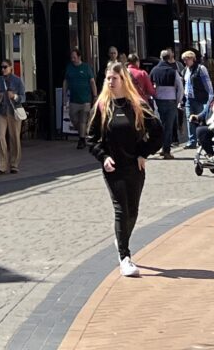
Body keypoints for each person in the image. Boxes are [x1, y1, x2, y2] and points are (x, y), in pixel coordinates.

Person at [85, 57, 162, 278]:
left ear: (123, 80)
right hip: (113, 168)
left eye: (114, 78)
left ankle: (121, 240)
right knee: (121, 209)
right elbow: (91, 139)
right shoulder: (101, 106)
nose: (110, 82)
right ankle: (124, 256)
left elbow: (158, 133)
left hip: (135, 166)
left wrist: (143, 153)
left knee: (133, 210)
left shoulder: (137, 104)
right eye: (108, 78)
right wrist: (104, 157)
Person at [0, 60, 26, 175]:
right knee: (0, 136)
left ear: (11, 68)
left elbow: (23, 97)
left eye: (5, 67)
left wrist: (14, 96)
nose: (3, 69)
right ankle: (2, 164)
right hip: (2, 112)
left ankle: (14, 164)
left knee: (14, 137)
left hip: (13, 111)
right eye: (1, 67)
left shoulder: (17, 80)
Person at [179, 50, 212, 152]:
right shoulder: (185, 71)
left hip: (200, 98)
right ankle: (192, 141)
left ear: (193, 59)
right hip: (189, 98)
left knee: (201, 119)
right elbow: (184, 85)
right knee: (189, 119)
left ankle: (202, 140)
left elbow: (207, 83)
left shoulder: (200, 69)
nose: (185, 61)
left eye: (187, 59)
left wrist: (210, 97)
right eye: (184, 59)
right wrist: (182, 99)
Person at [149, 50, 180, 152]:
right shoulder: (173, 70)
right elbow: (180, 87)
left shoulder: (154, 70)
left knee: (161, 124)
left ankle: (159, 146)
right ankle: (166, 149)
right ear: (170, 58)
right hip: (171, 100)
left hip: (158, 100)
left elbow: (149, 85)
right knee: (169, 126)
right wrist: (178, 100)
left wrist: (153, 96)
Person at [64, 50, 96, 150]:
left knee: (83, 120)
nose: (72, 59)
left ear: (79, 57)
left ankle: (81, 139)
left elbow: (92, 82)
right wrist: (65, 94)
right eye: (71, 57)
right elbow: (66, 81)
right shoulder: (69, 67)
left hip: (85, 99)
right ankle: (83, 132)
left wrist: (95, 95)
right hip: (74, 99)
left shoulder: (86, 67)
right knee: (73, 118)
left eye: (74, 57)